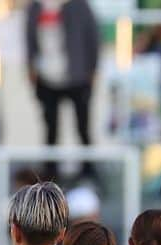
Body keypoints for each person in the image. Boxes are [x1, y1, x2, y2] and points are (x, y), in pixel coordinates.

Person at [26, 0, 100, 180]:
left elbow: (93, 37)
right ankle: (50, 172)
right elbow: (29, 38)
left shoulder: (79, 5)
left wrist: (92, 69)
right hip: (47, 77)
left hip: (76, 76)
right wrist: (31, 67)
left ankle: (88, 170)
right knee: (50, 128)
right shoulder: (36, 7)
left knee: (82, 126)